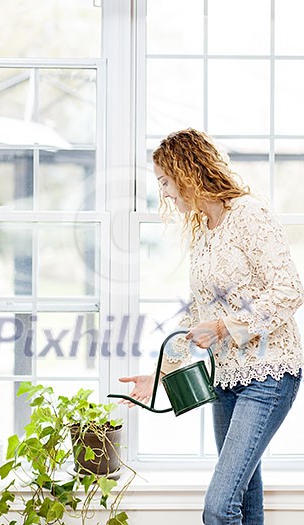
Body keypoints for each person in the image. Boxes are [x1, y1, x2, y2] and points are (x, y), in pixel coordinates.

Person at [118, 128, 304, 525]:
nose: (164, 193)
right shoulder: (203, 229)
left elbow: (289, 291)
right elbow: (198, 314)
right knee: (244, 503)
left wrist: (223, 328)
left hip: (270, 374)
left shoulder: (249, 214)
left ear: (187, 172)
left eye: (165, 181)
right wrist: (162, 376)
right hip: (226, 380)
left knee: (218, 508)